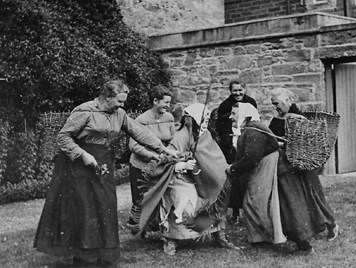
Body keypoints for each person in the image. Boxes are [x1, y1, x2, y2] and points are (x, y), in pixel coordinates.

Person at [33, 80, 178, 267]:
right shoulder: (84, 111)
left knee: (106, 206)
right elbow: (63, 137)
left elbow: (139, 132)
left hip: (103, 163)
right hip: (78, 166)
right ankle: (83, 257)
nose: (122, 105)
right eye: (120, 101)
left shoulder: (120, 114)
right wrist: (82, 155)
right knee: (85, 208)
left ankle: (105, 255)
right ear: (108, 97)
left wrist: (163, 150)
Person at [132, 103, 239, 256]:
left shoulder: (206, 135)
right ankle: (171, 239)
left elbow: (213, 158)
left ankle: (218, 235)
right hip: (180, 178)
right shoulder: (180, 136)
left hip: (205, 179)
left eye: (208, 118)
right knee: (183, 203)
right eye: (203, 118)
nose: (206, 121)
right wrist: (181, 164)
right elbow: (166, 160)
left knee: (219, 195)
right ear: (191, 120)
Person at [269, 88, 340, 254]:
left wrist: (280, 144)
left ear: (287, 101)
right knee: (301, 199)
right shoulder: (277, 118)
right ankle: (309, 229)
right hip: (287, 164)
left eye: (277, 104)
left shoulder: (298, 119)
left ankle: (332, 224)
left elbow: (303, 143)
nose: (275, 108)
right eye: (273, 105)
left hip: (302, 164)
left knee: (314, 195)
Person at [225, 103, 287, 246]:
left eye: (234, 114)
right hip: (263, 166)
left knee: (256, 202)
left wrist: (233, 169)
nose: (230, 117)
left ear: (244, 115)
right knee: (252, 202)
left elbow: (251, 157)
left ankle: (268, 236)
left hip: (266, 167)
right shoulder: (250, 128)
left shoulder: (254, 130)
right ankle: (260, 237)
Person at [127, 85, 176, 231]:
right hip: (142, 164)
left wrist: (170, 153)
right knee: (141, 198)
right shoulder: (142, 120)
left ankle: (157, 224)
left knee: (160, 195)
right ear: (155, 101)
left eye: (169, 102)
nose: (168, 106)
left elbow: (172, 139)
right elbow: (134, 146)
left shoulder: (169, 117)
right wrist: (154, 156)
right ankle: (136, 226)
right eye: (166, 102)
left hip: (161, 163)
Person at [216, 80, 257, 224]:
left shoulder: (251, 103)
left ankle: (249, 211)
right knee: (234, 182)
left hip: (246, 144)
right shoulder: (225, 106)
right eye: (235, 91)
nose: (238, 93)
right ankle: (234, 213)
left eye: (240, 90)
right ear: (230, 91)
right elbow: (221, 129)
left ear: (245, 89)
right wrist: (229, 143)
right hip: (231, 147)